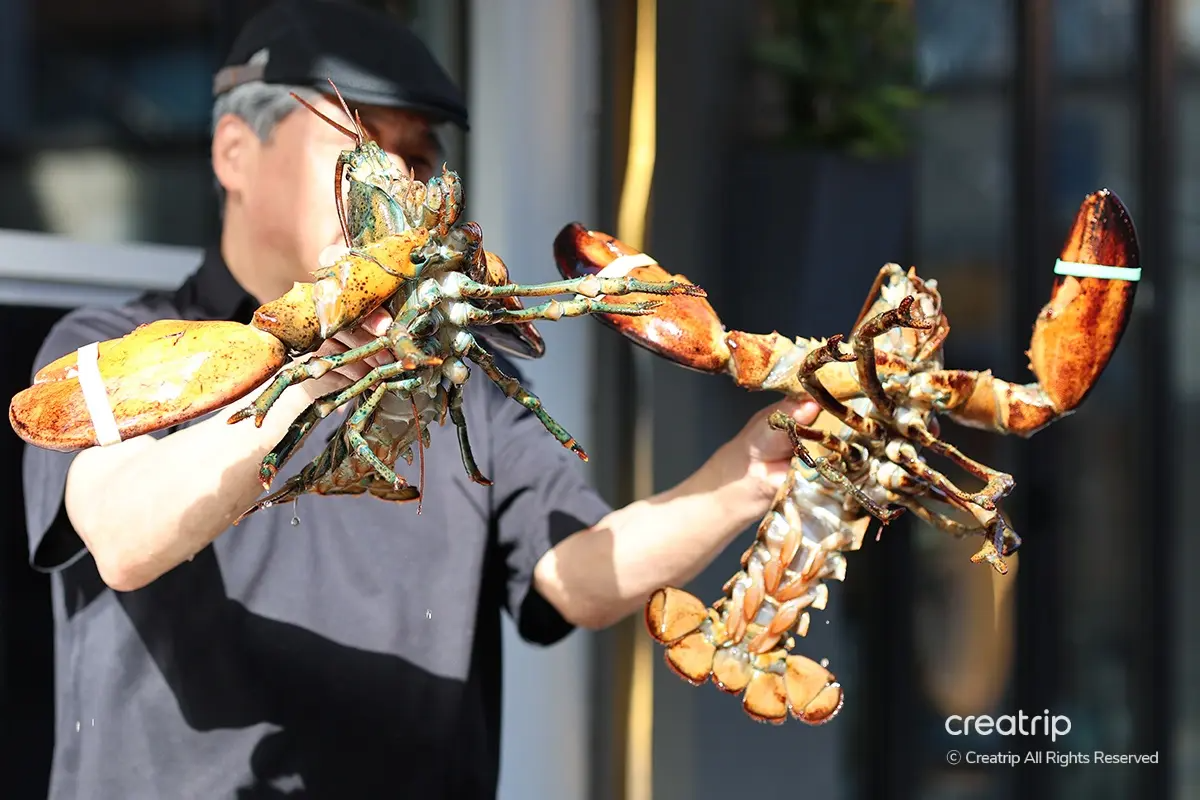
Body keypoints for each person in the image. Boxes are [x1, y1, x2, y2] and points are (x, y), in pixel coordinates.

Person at [21, 1, 821, 797]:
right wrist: (316, 367)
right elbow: (120, 539)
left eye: (422, 157)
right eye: (365, 144)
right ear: (235, 152)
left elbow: (576, 576)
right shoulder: (112, 345)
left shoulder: (465, 373)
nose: (403, 177)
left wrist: (744, 474)